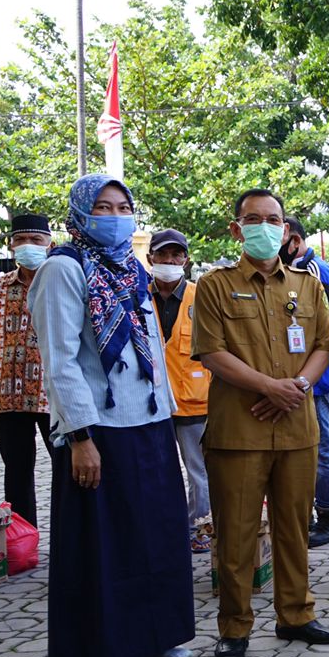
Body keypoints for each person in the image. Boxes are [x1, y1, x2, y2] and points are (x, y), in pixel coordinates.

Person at [29, 174, 193, 657]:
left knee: (156, 533)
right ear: (80, 213)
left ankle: (157, 636)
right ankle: (109, 649)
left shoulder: (130, 270)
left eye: (123, 205)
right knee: (107, 541)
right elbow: (59, 360)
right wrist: (79, 437)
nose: (115, 214)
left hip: (147, 422)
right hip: (97, 428)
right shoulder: (64, 269)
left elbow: (152, 352)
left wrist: (166, 413)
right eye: (102, 206)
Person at [193, 189, 329, 657]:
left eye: (273, 219)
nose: (265, 227)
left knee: (294, 529)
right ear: (237, 229)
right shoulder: (215, 285)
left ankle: (296, 615)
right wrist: (268, 387)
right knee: (235, 536)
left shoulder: (307, 284)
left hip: (297, 429)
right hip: (240, 431)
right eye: (254, 219)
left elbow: (324, 344)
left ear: (286, 229)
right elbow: (212, 353)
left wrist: (294, 386)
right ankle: (234, 626)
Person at [0, 214, 53, 525]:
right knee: (16, 472)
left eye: (36, 240)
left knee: (67, 469)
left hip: (53, 396)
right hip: (6, 397)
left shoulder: (63, 281)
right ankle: (23, 541)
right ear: (11, 245)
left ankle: (70, 544)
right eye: (20, 240)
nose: (27, 246)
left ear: (50, 244)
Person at [283, 216, 329, 548]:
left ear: (293, 240)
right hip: (289, 378)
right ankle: (302, 513)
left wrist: (319, 373)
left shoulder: (317, 274)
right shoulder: (287, 272)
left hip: (316, 377)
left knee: (320, 447)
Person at [146, 229, 211, 545]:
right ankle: (163, 531)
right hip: (151, 404)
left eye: (176, 255)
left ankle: (201, 530)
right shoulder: (138, 299)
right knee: (156, 473)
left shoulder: (202, 297)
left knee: (198, 473)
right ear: (150, 259)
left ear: (186, 261)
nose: (169, 261)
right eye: (162, 255)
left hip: (194, 403)